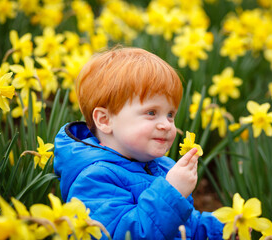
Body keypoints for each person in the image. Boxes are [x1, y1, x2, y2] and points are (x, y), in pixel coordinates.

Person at [54, 47, 224, 240]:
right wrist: (172, 194)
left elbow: (182, 226)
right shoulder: (94, 179)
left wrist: (221, 230)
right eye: (151, 112)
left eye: (170, 114)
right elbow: (123, 235)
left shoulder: (162, 167)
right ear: (105, 120)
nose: (166, 125)